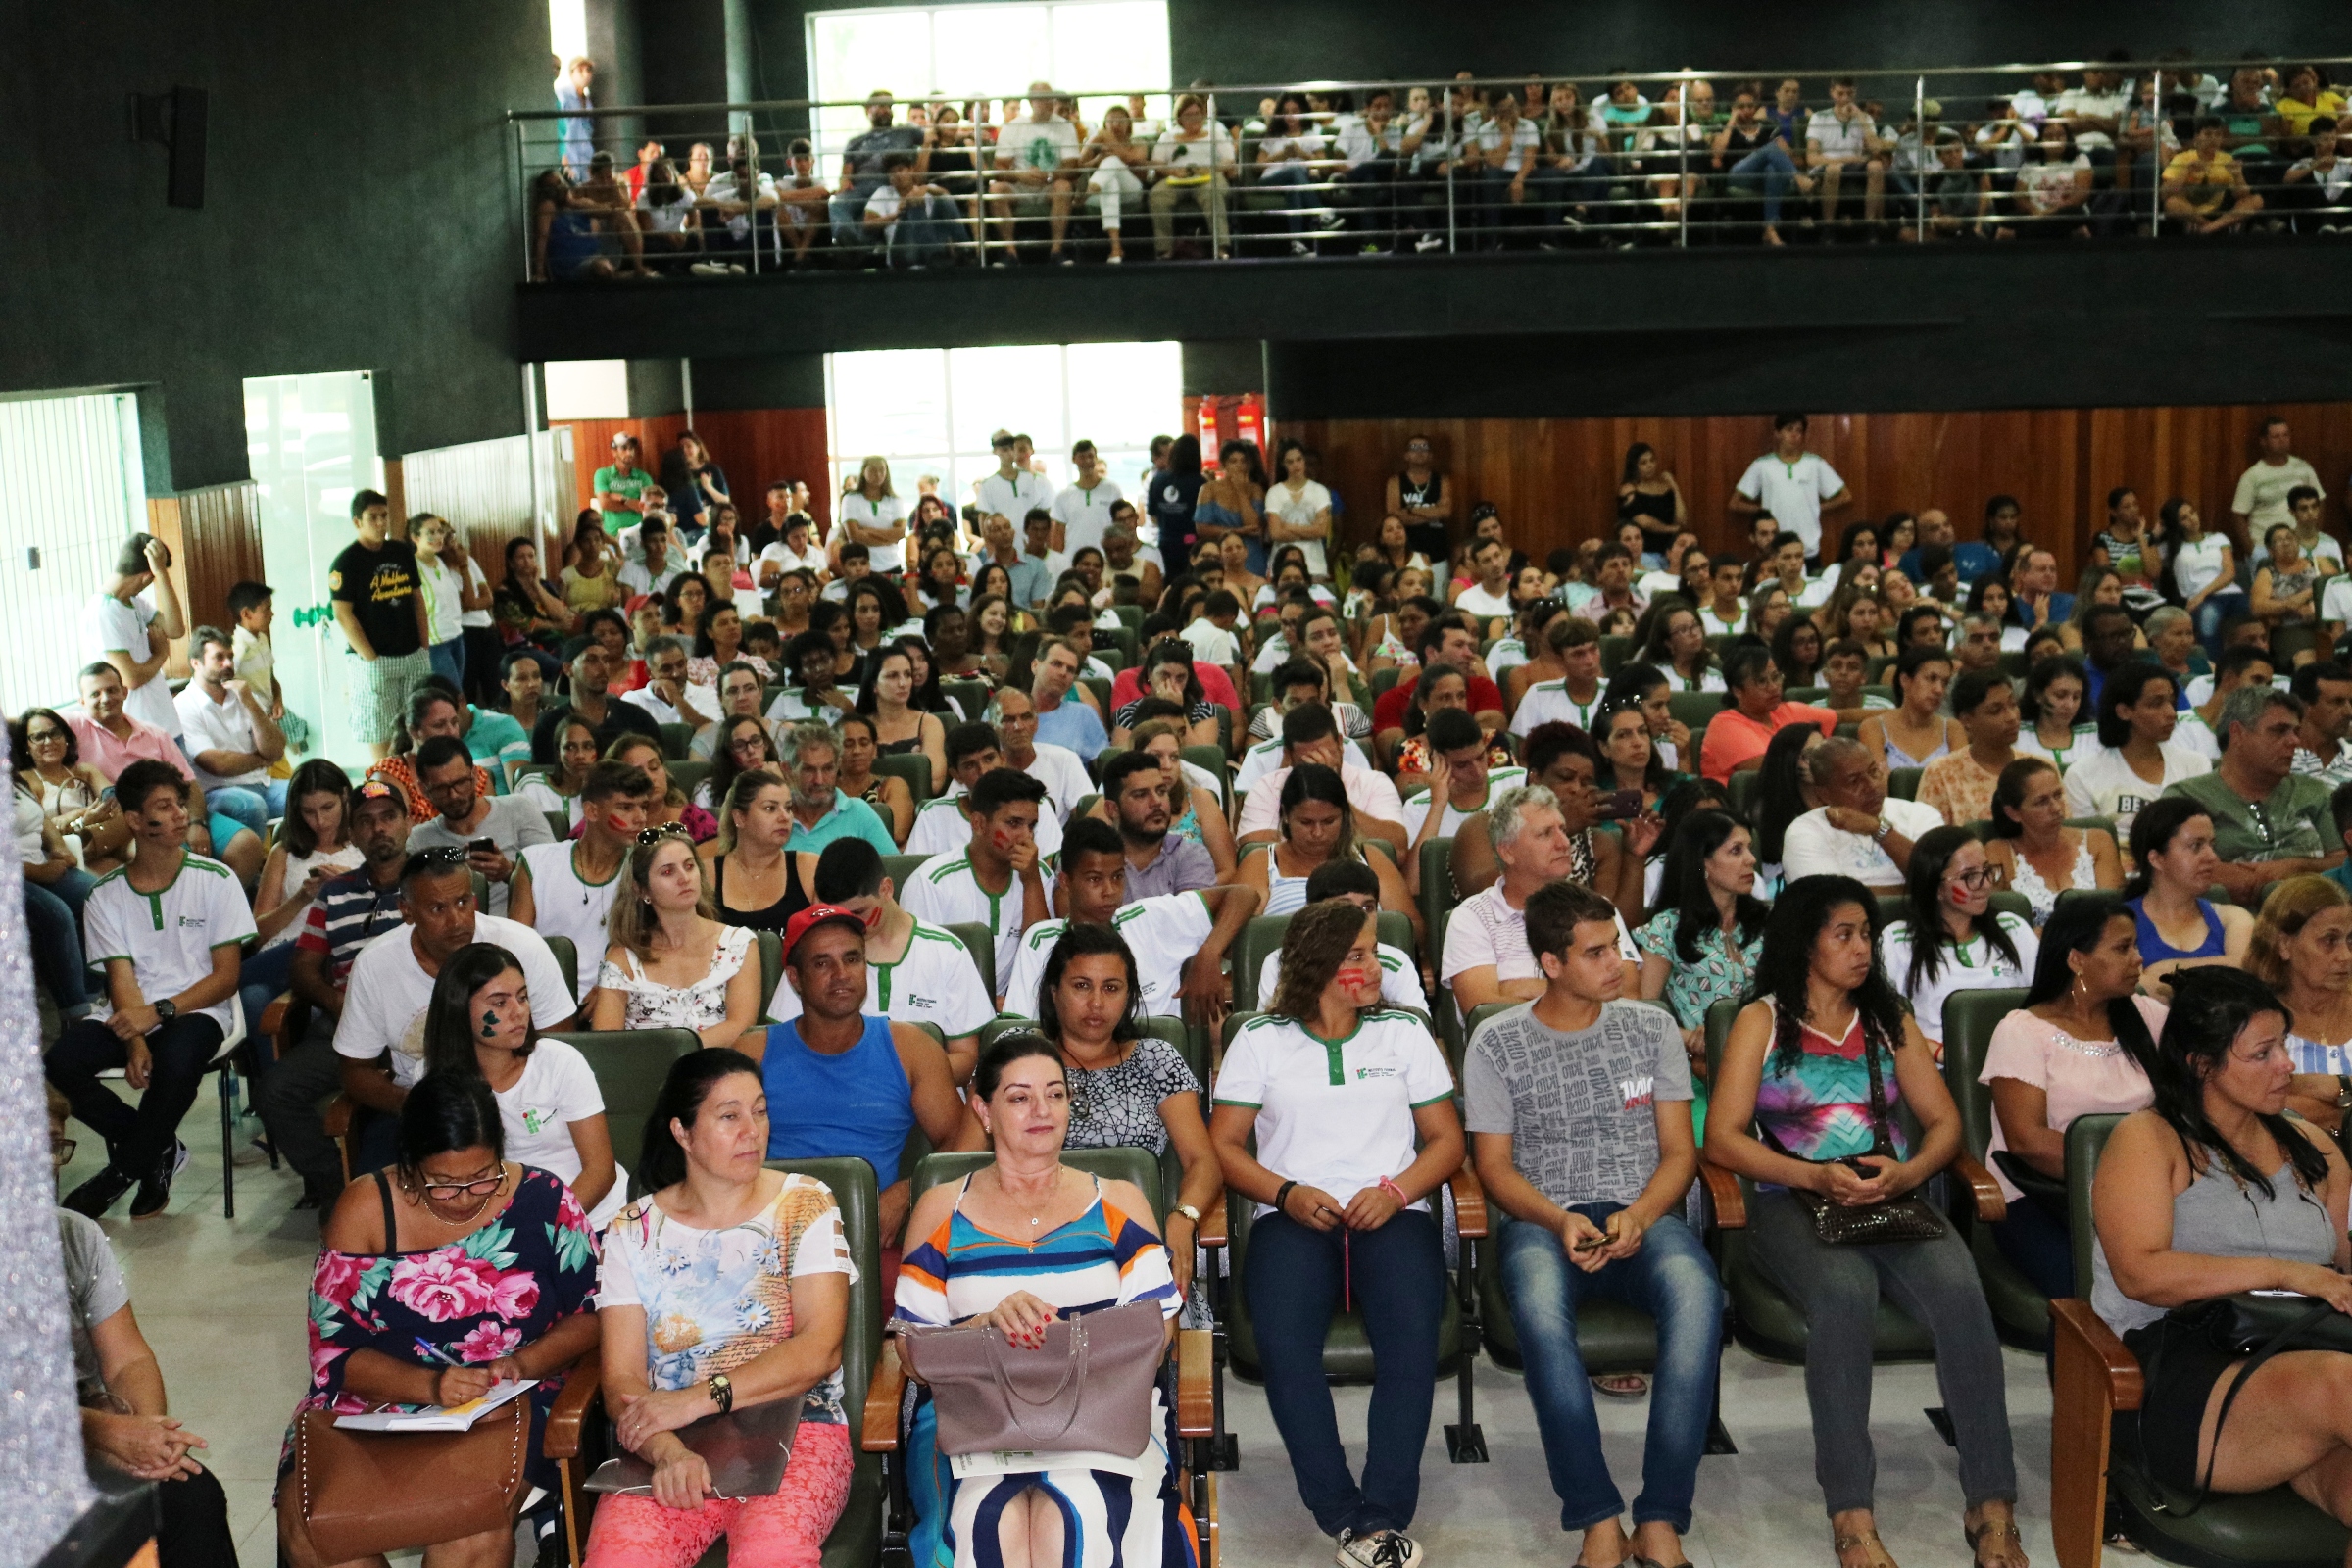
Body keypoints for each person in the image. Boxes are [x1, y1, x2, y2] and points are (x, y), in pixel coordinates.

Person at [1706, 875, 2025, 1568]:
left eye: (1867, 936)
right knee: (1844, 1293)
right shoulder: (1762, 1020)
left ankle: (1991, 1501)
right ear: (1804, 942)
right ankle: (1851, 1511)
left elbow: (1944, 1123)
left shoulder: (1887, 1017)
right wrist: (1813, 1175)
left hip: (1891, 1194)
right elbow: (1723, 1139)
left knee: (1962, 1293)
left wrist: (1909, 1174)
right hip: (1790, 1199)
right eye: (1844, 934)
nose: (1862, 950)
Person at [1470, 880, 1720, 1568]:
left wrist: (1639, 1215)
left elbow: (1679, 1152)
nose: (1618, 964)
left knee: (1699, 1296)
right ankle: (1597, 1516)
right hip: (1541, 1219)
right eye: (1597, 953)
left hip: (1643, 1213)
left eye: (1617, 947)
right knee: (1540, 1313)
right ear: (1552, 963)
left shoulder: (1652, 1027)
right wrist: (1558, 1219)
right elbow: (1493, 1167)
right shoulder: (1498, 1041)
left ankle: (1661, 1515)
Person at [1211, 900, 1461, 1568]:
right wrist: (1285, 1193)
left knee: (1411, 1342)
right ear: (1317, 966)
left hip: (1394, 1212)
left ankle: (1382, 1514)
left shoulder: (1404, 1034)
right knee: (1285, 1347)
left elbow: (1446, 1141)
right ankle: (1340, 1513)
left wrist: (1397, 1191)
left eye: (1373, 952)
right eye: (1357, 955)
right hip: (1292, 1215)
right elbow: (1225, 1147)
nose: (1374, 966)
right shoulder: (1259, 1039)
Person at [277, 1075, 601, 1568]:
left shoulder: (545, 1199)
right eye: (443, 1184)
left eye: (484, 1176)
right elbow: (332, 1353)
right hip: (381, 1397)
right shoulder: (365, 1209)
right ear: (408, 1164)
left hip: (506, 1401)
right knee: (311, 1534)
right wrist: (431, 1386)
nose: (467, 1196)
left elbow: (591, 1315)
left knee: (469, 1533)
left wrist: (521, 1364)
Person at [896, 1032, 1188, 1568]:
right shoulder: (941, 1209)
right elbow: (913, 1355)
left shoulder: (1118, 1201)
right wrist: (984, 1327)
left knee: (1072, 1519)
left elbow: (1159, 1334)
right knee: (991, 1523)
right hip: (973, 1416)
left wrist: (1067, 1340)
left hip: (1102, 1410)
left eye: (1055, 1094)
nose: (1042, 1110)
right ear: (983, 1111)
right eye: (1019, 1097)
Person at [2086, 966, 2352, 1524]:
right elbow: (2140, 1274)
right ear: (2202, 1064)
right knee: (2341, 1382)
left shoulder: (2313, 1146)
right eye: (2263, 1053)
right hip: (2182, 1369)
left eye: (2284, 1044)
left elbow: (2339, 1256)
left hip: (2300, 1351)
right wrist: (2285, 1272)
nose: (2287, 1065)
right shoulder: (2147, 1140)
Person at [585, 1050, 860, 1567]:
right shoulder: (631, 1230)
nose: (752, 1131)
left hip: (797, 1429)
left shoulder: (805, 1203)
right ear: (683, 1132)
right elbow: (621, 1378)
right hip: (672, 1439)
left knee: (769, 1555)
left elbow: (819, 1350)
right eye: (729, 1116)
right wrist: (667, 1451)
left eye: (759, 1111)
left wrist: (696, 1399)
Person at [47, 761, 254, 1221]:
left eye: (180, 804)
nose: (181, 814)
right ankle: (158, 1148)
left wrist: (159, 1012)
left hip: (200, 1007)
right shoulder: (105, 895)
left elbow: (226, 978)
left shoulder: (216, 880)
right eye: (165, 807)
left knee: (177, 1062)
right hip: (129, 1010)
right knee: (60, 1062)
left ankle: (117, 1175)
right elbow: (121, 979)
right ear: (136, 821)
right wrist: (136, 1040)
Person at [52, 1089, 236, 1568]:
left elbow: (127, 1359)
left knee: (189, 1495)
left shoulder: (73, 1234)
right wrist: (103, 1434)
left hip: (80, 1430)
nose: (44, 1163)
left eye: (52, 1145)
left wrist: (142, 1439)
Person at [333, 847, 577, 1178]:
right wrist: (419, 1105)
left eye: (463, 902)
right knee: (380, 1194)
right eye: (438, 908)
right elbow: (355, 1072)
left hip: (526, 1104)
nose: (457, 921)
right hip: (421, 1108)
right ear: (406, 910)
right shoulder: (375, 965)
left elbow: (561, 1044)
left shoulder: (523, 946)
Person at [1970, 892, 2164, 1305]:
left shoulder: (2147, 1016)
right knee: (2093, 1289)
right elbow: (2026, 1141)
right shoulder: (2022, 1031)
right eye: (2122, 948)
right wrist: (2129, 1174)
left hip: (2143, 1193)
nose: (2139, 959)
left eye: (2136, 946)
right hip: (2042, 1197)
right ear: (2076, 959)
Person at [760, 904, 974, 1254]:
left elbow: (962, 1143)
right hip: (769, 1236)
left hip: (869, 1237)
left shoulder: (911, 1048)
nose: (841, 973)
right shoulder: (754, 1053)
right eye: (822, 963)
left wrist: (908, 1193)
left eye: (852, 959)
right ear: (795, 978)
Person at [419, 941, 621, 1225]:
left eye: (523, 997)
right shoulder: (433, 1080)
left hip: (588, 1217)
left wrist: (547, 1230)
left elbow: (600, 1171)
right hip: (497, 1222)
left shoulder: (559, 1062)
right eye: (500, 1003)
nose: (519, 1011)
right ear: (459, 1009)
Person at [767, 839, 995, 1084]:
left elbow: (966, 1059)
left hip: (927, 1096)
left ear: (886, 889)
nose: (849, 925)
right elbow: (783, 1049)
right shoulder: (815, 955)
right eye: (835, 914)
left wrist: (892, 1080)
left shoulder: (947, 952)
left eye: (858, 913)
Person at [1000, 816, 1254, 1025]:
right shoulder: (1041, 941)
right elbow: (1018, 1031)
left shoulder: (1151, 918)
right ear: (1066, 882)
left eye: (1118, 876)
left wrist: (1210, 952)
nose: (1110, 890)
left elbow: (1243, 894)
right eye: (1095, 879)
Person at [1445, 783, 1638, 1015]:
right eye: (1545, 834)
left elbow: (1629, 996)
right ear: (1507, 852)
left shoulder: (1598, 908)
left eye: (1562, 830)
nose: (1564, 843)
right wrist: (1585, 991)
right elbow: (1482, 1009)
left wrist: (1520, 988)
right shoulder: (1473, 918)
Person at [587, 824, 763, 1054]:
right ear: (641, 890)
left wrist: (675, 1055)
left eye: (689, 866)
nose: (684, 878)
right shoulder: (622, 958)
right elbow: (606, 1046)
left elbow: (741, 1027)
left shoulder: (738, 944)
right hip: (645, 1074)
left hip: (721, 1069)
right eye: (668, 872)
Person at [2162, 684, 2342, 906]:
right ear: (2237, 733)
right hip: (2225, 913)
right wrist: (2229, 875)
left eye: (2296, 732)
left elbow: (2343, 860)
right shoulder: (2187, 798)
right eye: (2279, 730)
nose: (2295, 741)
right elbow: (2169, 865)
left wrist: (2296, 867)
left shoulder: (2315, 793)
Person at [1636, 808, 1767, 1095]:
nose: (1751, 860)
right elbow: (1641, 1014)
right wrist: (1689, 1038)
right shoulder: (1667, 928)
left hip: (1769, 1061)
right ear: (1702, 862)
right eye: (1736, 850)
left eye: (1749, 848)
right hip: (1700, 1067)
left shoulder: (1769, 922)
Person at [1880, 826, 2039, 1057]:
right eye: (1970, 876)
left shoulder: (2012, 929)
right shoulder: (1898, 941)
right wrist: (1945, 1055)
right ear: (1936, 888)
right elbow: (1882, 1020)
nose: (1986, 884)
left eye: (1987, 871)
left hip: (2017, 1060)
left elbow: (2049, 1003)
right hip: (1937, 1066)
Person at [510, 759, 656, 1001]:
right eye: (626, 807)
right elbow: (515, 950)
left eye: (643, 807)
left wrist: (611, 987)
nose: (640, 818)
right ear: (592, 811)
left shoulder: (646, 870)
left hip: (619, 996)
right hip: (542, 996)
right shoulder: (535, 862)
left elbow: (654, 949)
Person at [239, 760, 363, 1033]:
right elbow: (257, 934)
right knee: (253, 998)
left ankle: (224, 982)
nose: (319, 821)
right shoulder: (284, 852)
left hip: (340, 950)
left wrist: (349, 884)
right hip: (283, 955)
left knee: (314, 947)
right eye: (308, 812)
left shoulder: (364, 845)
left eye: (327, 807)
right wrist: (301, 898)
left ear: (345, 796)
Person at [1238, 762, 1417, 947]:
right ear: (1285, 815)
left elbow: (1410, 931)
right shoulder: (1260, 862)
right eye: (1306, 822)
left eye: (1329, 821)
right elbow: (1243, 940)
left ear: (1344, 815)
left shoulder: (1371, 858)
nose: (1317, 832)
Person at [329, 490, 435, 760]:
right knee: (379, 729)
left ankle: (416, 779)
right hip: (374, 659)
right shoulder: (346, 562)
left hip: (412, 653)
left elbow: (417, 599)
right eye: (373, 517)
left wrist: (424, 645)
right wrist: (370, 657)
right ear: (357, 522)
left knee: (418, 724)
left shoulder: (400, 551)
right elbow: (343, 615)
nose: (380, 523)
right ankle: (384, 781)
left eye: (384, 516)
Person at [404, 734, 555, 918]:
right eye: (441, 789)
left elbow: (555, 878)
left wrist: (511, 872)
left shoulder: (519, 808)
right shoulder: (419, 840)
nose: (454, 795)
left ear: (475, 776)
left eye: (460, 783)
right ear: (423, 790)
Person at [2245, 874, 2352, 1127]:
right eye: (2329, 940)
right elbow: (2249, 1113)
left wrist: (2336, 1088)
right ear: (2284, 944)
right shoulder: (2250, 1022)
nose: (2346, 956)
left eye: (2351, 940)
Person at [2063, 662, 2211, 842]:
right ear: (2124, 711)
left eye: (2172, 702)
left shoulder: (2196, 765)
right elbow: (2087, 845)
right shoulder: (2081, 775)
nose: (2171, 713)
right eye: (2156, 703)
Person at [1780, 736, 1945, 891]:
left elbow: (1936, 880)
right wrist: (1916, 894)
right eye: (1854, 781)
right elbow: (1831, 900)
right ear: (1824, 794)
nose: (1872, 786)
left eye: (1873, 772)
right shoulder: (1806, 831)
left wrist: (1879, 829)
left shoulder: (1920, 814)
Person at [2124, 797, 2255, 991]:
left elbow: (2246, 972)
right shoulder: (2120, 923)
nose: (2212, 857)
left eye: (2212, 845)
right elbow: (2137, 987)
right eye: (2196, 846)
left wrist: (2165, 970)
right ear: (2156, 859)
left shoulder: (2232, 917)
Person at [1979, 758, 2123, 927]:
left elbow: (2114, 914)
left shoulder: (2097, 842)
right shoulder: (1998, 853)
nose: (2057, 808)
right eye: (2042, 802)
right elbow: (1993, 921)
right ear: (2013, 813)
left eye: (2058, 795)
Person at [173, 624, 287, 835]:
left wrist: (250, 703)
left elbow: (275, 750)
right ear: (196, 663)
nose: (228, 663)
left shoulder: (243, 694)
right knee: (250, 805)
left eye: (230, 656)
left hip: (261, 784)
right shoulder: (184, 705)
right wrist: (262, 760)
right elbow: (217, 764)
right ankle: (255, 858)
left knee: (309, 794)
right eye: (219, 657)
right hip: (216, 792)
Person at [1697, 648, 1836, 783]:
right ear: (1737, 691)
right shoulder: (1724, 725)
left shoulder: (1784, 710)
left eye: (1775, 677)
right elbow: (1772, 770)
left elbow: (1840, 716)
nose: (1774, 687)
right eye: (1762, 682)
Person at [1729, 414, 1851, 564]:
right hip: (1774, 549)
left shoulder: (1815, 464)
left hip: (1808, 548)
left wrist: (1816, 507)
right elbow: (1735, 502)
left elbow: (1845, 496)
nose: (1794, 435)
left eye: (1799, 431)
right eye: (1789, 429)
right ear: (1777, 433)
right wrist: (1765, 510)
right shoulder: (1762, 465)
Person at [1915, 668, 2020, 829]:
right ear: (1966, 720)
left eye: (2013, 705)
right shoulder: (1941, 773)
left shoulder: (2041, 767)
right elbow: (1929, 839)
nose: (2012, 717)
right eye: (1996, 710)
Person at [1857, 645, 1962, 774]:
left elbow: (1960, 781)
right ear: (1905, 680)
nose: (1939, 690)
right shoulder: (1873, 728)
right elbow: (1879, 781)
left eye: (1945, 682)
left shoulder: (1953, 729)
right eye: (1931, 679)